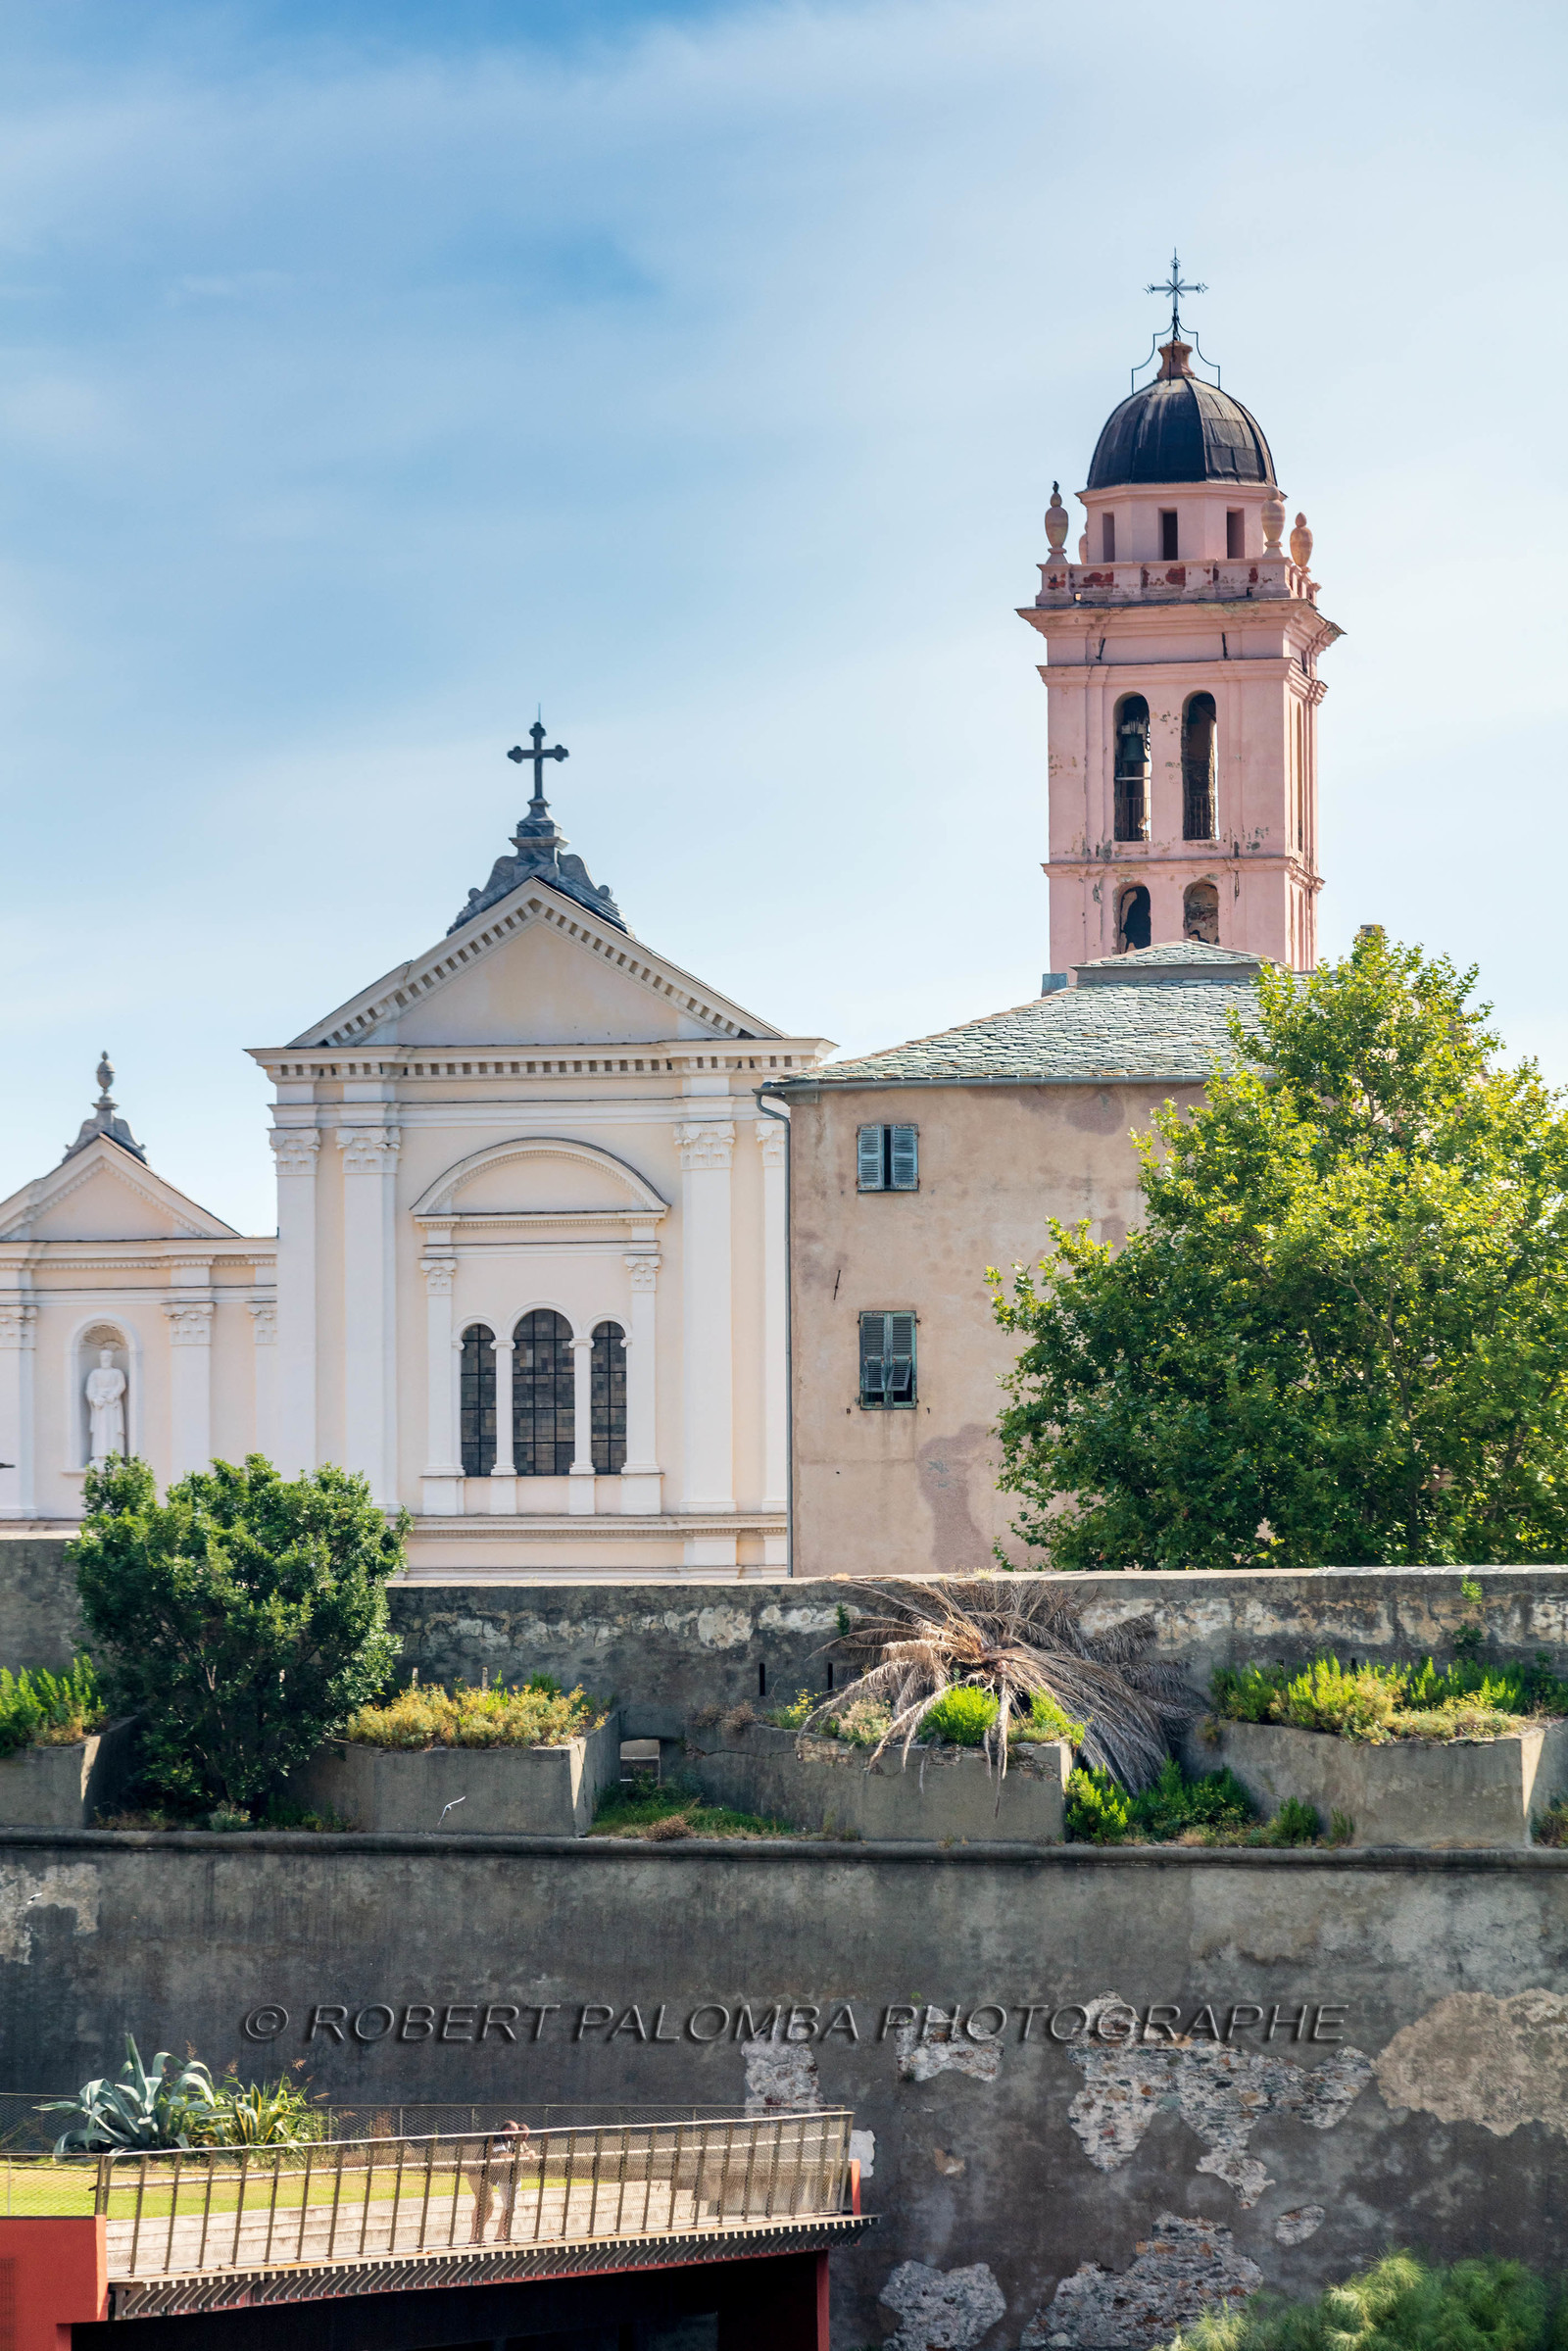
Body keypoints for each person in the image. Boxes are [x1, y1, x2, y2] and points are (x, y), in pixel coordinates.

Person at [466, 2121, 534, 2242]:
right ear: (507, 2130)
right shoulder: (497, 2138)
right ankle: (474, 2236)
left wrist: (528, 2153)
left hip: (488, 2176)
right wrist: (523, 2156)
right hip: (477, 2173)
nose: (517, 2133)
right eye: (515, 2130)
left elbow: (520, 2152)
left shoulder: (509, 2141)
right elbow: (504, 2156)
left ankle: (477, 2235)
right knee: (487, 2203)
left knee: (486, 2205)